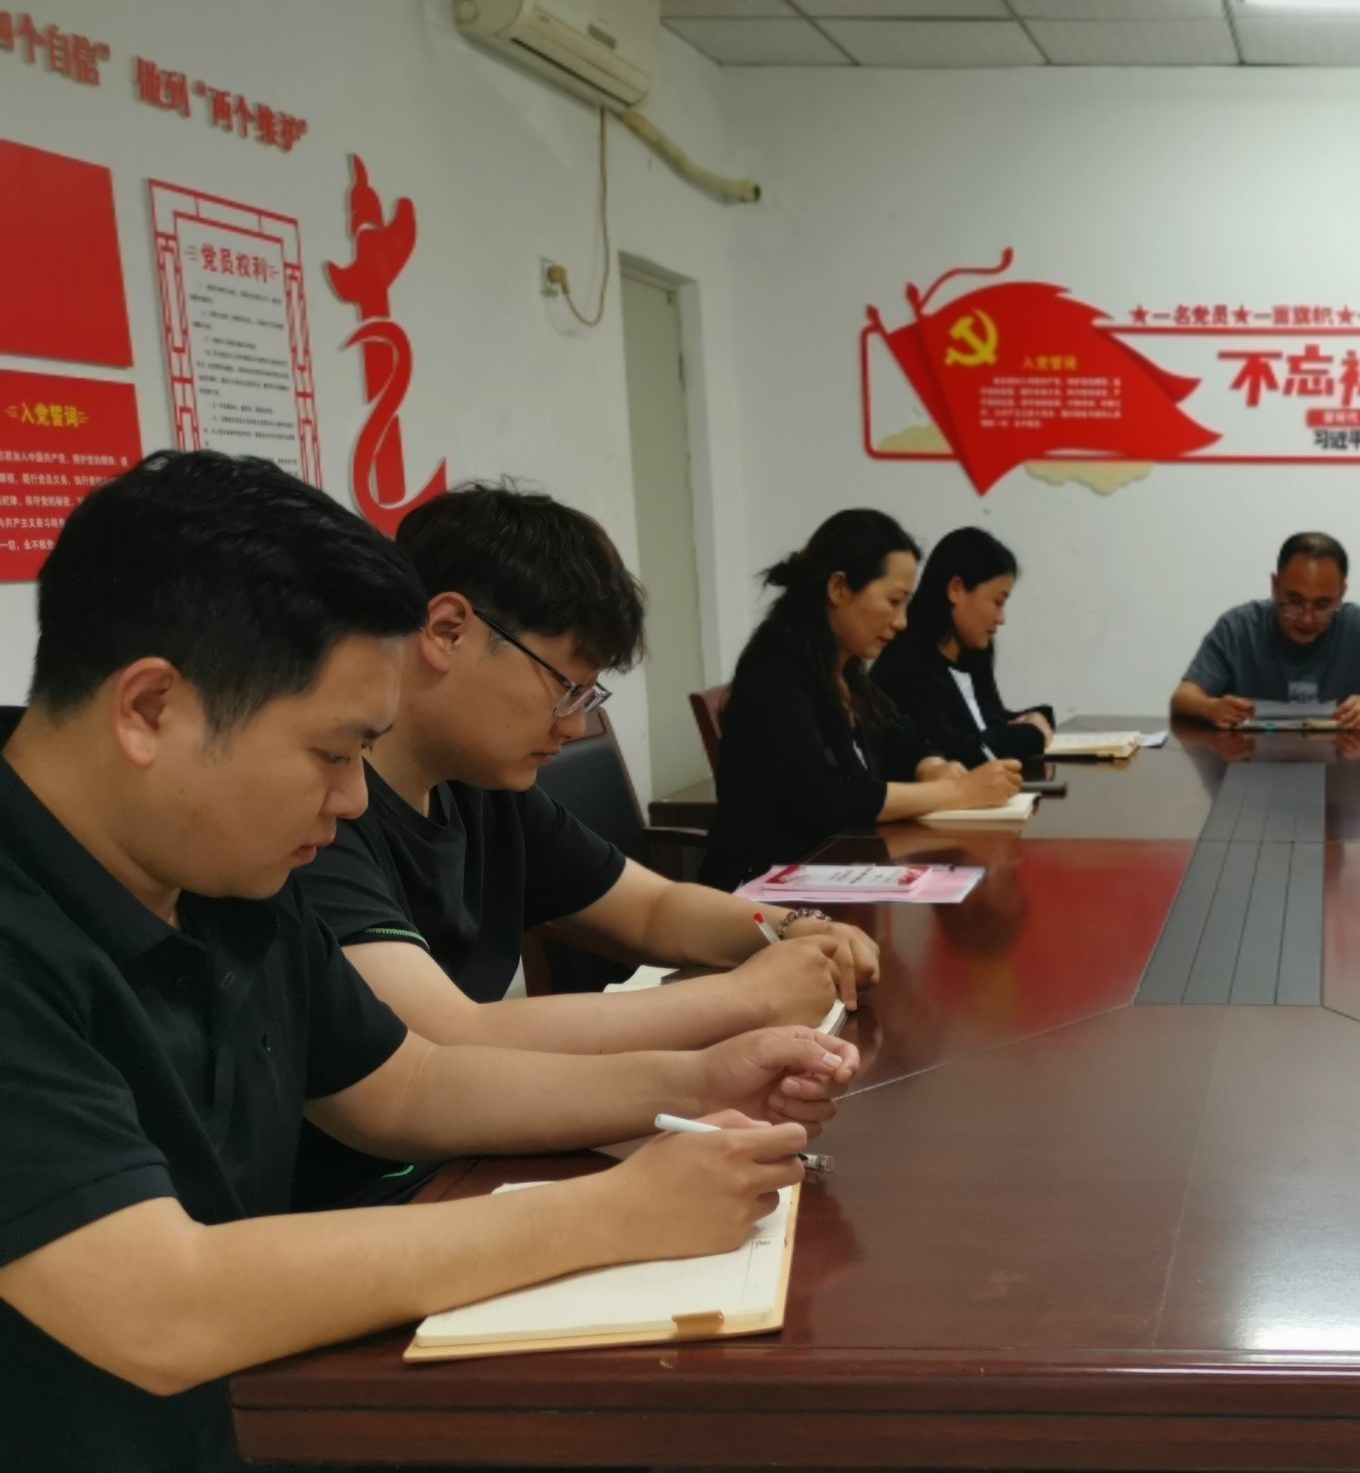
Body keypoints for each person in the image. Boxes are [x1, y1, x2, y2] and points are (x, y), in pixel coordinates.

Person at [0, 451, 856, 1473]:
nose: (353, 802)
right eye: (331, 751)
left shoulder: (218, 874)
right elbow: (158, 1301)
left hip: (177, 1467)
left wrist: (697, 1078)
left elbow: (404, 1082)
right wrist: (603, 1216)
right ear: (150, 709)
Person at [295, 483, 882, 1213]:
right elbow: (444, 1039)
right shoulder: (313, 820)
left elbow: (652, 907)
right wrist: (743, 998)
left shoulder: (483, 789)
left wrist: (793, 929)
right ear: (447, 631)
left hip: (472, 1153)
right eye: (565, 687)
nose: (574, 728)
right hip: (376, 1199)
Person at [699, 509, 1020, 890]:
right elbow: (827, 796)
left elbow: (901, 738)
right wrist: (957, 792)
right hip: (762, 891)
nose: (902, 622)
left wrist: (930, 766)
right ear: (838, 589)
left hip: (835, 874)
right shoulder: (774, 676)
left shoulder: (847, 672)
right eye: (894, 601)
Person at [1171, 532, 1360, 732]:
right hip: (1251, 766)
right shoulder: (1238, 628)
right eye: (1294, 601)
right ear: (1275, 586)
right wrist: (1211, 708)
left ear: (1341, 594)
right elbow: (1182, 699)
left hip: (1344, 770)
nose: (1307, 619)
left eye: (1322, 605)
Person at [871, 525, 1053, 769]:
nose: (1001, 618)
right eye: (997, 602)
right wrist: (1031, 735)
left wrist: (1038, 717)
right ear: (956, 589)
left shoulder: (974, 655)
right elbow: (955, 750)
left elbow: (990, 724)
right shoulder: (905, 665)